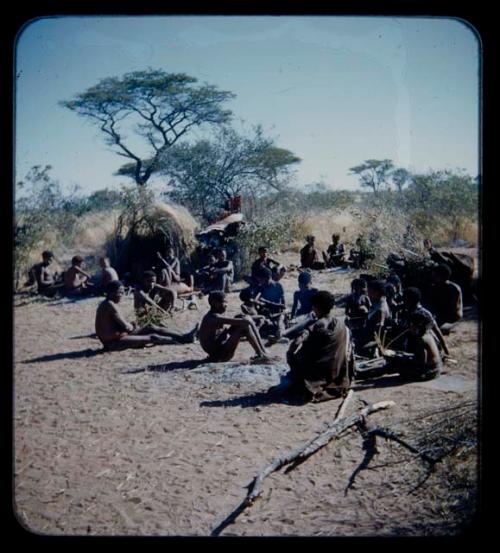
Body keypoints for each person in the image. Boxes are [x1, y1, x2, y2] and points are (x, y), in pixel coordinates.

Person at [285, 291, 354, 402]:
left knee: (295, 357)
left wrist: (291, 353)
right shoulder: (340, 324)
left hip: (319, 371)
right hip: (336, 370)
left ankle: (306, 382)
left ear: (317, 307)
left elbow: (297, 342)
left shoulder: (316, 324)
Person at [95, 280, 198, 351]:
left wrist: (130, 326)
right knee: (153, 337)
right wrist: (131, 326)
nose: (122, 295)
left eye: (122, 292)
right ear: (111, 293)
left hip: (120, 337)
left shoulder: (108, 304)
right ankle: (180, 341)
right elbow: (126, 327)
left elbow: (119, 325)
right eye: (120, 293)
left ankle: (185, 337)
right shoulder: (110, 305)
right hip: (114, 343)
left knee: (151, 327)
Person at [361, 311, 443, 382]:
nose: (410, 327)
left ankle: (364, 375)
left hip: (428, 372)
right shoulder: (428, 334)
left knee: (394, 367)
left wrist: (399, 358)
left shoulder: (421, 339)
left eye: (412, 325)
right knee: (396, 362)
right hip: (435, 369)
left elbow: (421, 361)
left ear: (418, 326)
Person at [198, 291, 273, 363]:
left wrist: (259, 317)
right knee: (244, 325)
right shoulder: (213, 318)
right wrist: (250, 319)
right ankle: (260, 354)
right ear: (214, 303)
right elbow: (245, 322)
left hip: (221, 347)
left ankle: (262, 350)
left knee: (241, 317)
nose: (226, 305)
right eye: (224, 302)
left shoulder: (217, 313)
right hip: (219, 354)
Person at [395, 287, 450, 356]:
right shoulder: (408, 311)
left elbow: (436, 331)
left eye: (405, 299)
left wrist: (446, 350)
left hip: (426, 346)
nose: (403, 302)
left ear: (410, 300)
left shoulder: (423, 313)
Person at [357, 279, 392, 357]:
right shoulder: (378, 301)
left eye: (370, 292)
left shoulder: (381, 310)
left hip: (372, 341)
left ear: (377, 293)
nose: (368, 295)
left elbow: (378, 334)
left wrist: (375, 348)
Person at [426, 264, 463, 333]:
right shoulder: (434, 287)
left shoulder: (454, 288)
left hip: (452, 317)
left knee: (433, 328)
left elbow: (454, 309)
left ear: (444, 276)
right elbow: (432, 303)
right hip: (440, 315)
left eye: (436, 276)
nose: (433, 277)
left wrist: (438, 318)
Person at [254, 266, 286, 338]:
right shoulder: (261, 287)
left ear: (268, 278)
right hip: (265, 313)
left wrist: (267, 302)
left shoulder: (278, 286)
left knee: (280, 321)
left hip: (277, 312)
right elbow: (253, 300)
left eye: (262, 280)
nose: (261, 282)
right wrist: (257, 305)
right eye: (260, 280)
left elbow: (283, 305)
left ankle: (279, 332)